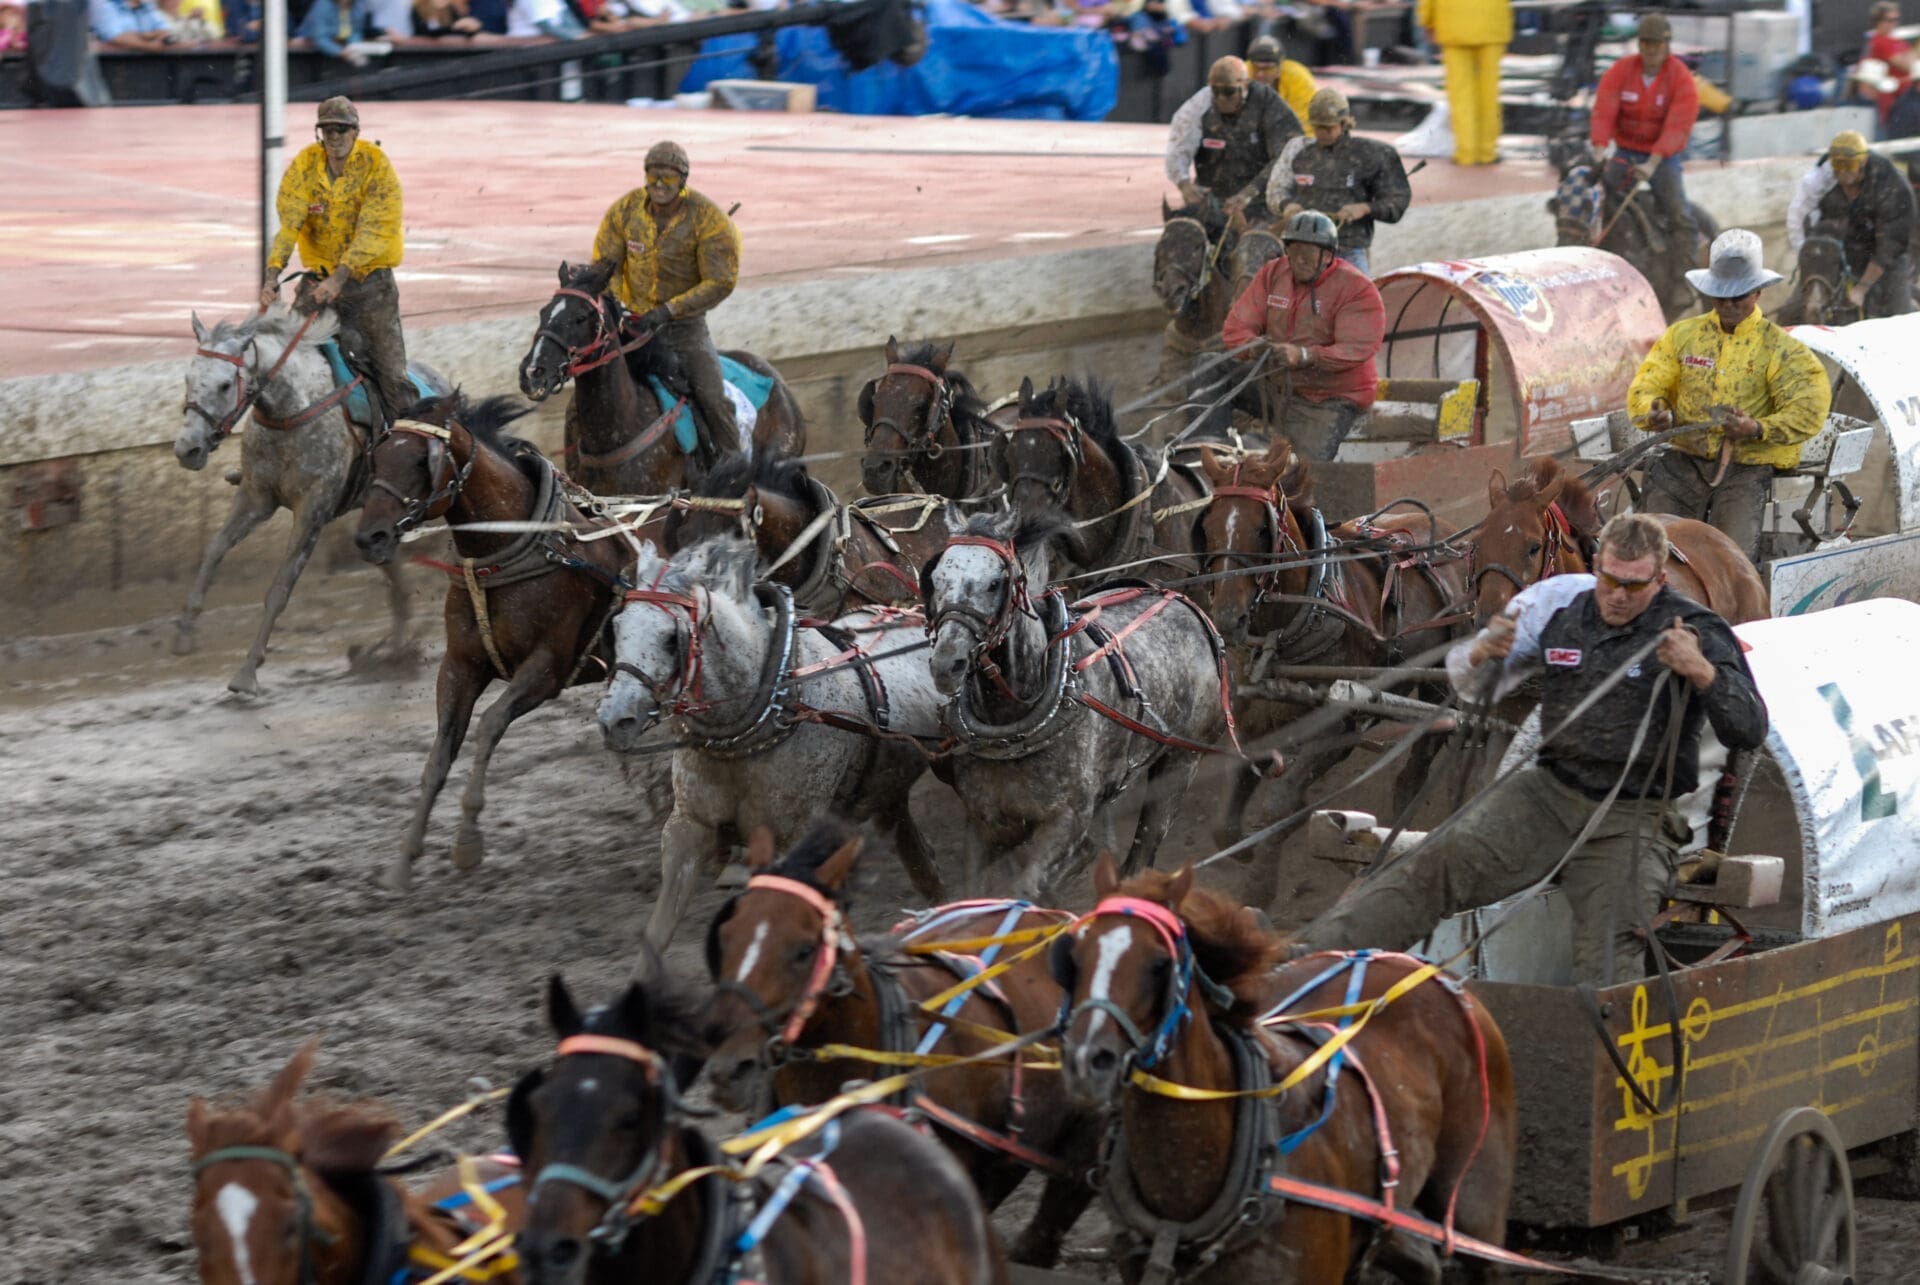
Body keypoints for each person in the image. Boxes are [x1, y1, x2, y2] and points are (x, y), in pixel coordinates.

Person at [1292, 513, 1769, 986]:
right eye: (1609, 580)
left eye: (1635, 586)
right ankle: (1304, 963)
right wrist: (1483, 654)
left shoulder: (1697, 630)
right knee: (1431, 868)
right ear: (1597, 565)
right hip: (1547, 792)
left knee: (1610, 952)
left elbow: (1749, 727)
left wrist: (1701, 671)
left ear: (1660, 579)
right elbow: (1475, 687)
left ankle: (1599, 1047)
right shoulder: (1564, 614)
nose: (1618, 596)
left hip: (1633, 816)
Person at [1630, 229, 1832, 564]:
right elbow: (1648, 385)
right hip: (1683, 460)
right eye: (1720, 297)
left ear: (1757, 293)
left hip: (1746, 467)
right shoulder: (1683, 336)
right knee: (1650, 548)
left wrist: (1756, 428)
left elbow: (1808, 410)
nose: (1728, 304)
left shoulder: (1781, 349)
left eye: (1737, 297)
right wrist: (1655, 411)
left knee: (1731, 559)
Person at [261, 98, 413, 427]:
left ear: (355, 131)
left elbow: (375, 229)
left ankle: (406, 441)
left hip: (370, 287)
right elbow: (289, 224)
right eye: (327, 130)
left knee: (391, 375)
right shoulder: (305, 165)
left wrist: (340, 279)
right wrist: (273, 275)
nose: (334, 136)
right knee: (284, 361)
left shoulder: (376, 165)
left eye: (341, 129)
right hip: (318, 284)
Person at [591, 140, 742, 457]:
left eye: (668, 177)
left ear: (683, 179)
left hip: (684, 331)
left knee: (712, 398)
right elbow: (606, 265)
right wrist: (619, 305)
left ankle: (734, 466)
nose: (659, 184)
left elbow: (721, 280)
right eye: (653, 175)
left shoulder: (709, 219)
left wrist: (669, 310)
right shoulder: (624, 211)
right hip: (632, 325)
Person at [1220, 209, 1384, 460]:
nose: (1299, 261)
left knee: (1305, 474)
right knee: (1211, 368)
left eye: (1307, 255)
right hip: (1279, 385)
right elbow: (1235, 328)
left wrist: (1304, 355)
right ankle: (1207, 447)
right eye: (1293, 253)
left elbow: (1356, 348)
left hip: (1331, 399)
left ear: (1328, 256)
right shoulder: (1272, 273)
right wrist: (1254, 347)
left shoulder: (1357, 287)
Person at [1590, 14, 1700, 283]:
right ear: (1639, 45)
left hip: (1663, 158)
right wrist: (1599, 148)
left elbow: (1677, 125)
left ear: (1667, 46)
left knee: (1679, 214)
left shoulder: (1680, 78)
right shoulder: (1620, 71)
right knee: (1599, 201)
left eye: (1657, 45)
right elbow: (1604, 110)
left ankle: (1683, 279)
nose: (1651, 51)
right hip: (1626, 152)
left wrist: (1652, 163)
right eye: (1646, 44)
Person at [1265, 87, 1412, 277]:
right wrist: (1287, 205)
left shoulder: (1372, 155)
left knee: (1363, 302)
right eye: (1317, 127)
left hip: (1348, 249)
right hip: (1301, 248)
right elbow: (1277, 193)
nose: (1321, 133)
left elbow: (1397, 200)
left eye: (1328, 127)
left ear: (1345, 123)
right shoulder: (1301, 155)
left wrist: (1366, 208)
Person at [1786, 130, 1916, 320]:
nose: (1843, 171)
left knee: (1897, 314)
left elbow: (1891, 245)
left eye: (1849, 165)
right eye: (1838, 165)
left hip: (1885, 259)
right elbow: (1807, 220)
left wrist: (1862, 288)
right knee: (1793, 310)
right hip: (1842, 251)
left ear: (1863, 162)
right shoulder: (1824, 179)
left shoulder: (1891, 185)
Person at [1165, 55, 1304, 224]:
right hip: (1213, 201)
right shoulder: (1199, 105)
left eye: (1229, 92)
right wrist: (1184, 184)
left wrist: (1250, 192)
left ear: (1244, 86)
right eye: (1216, 91)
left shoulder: (1266, 101)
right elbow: (1178, 145)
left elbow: (1289, 152)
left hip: (1261, 203)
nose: (1221, 98)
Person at [1417, 0, 1511, 167]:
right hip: (1491, 23)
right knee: (1489, 93)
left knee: (1460, 94)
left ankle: (1465, 153)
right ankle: (1487, 152)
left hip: (1454, 24)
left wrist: (1427, 20)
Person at [1246, 32, 1315, 129]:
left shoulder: (1299, 80)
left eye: (1267, 69)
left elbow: (1305, 124)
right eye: (1256, 68)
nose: (1260, 74)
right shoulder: (1241, 74)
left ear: (1280, 67)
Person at [1862, 1, 1913, 126]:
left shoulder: (1895, 41)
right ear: (1878, 21)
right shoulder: (1880, 42)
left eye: (1896, 19)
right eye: (1890, 20)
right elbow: (1908, 65)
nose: (1894, 23)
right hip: (1895, 101)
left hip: (1906, 96)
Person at [89, 0, 173, 49]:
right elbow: (115, 36)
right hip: (109, 68)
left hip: (145, 68)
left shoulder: (147, 6)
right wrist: (149, 45)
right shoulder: (103, 4)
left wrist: (145, 36)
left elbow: (165, 31)